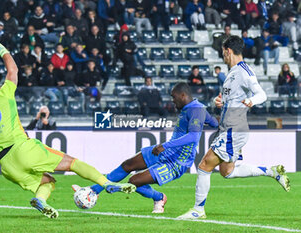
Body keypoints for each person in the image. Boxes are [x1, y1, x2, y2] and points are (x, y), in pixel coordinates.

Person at [0, 38, 136, 219]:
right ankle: (106, 184)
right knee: (72, 163)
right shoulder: (3, 95)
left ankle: (41, 201)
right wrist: (4, 52)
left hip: (6, 166)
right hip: (22, 149)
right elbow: (13, 70)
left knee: (47, 181)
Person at [178, 36, 290, 220]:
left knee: (204, 165)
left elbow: (262, 94)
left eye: (223, 52)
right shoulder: (232, 73)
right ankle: (272, 171)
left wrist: (251, 100)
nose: (222, 56)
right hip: (230, 128)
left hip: (234, 129)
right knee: (227, 172)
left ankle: (198, 210)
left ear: (228, 51)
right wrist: (221, 102)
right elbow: (233, 99)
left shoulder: (244, 71)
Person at [73, 82, 219, 213]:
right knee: (128, 164)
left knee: (134, 181)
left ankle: (159, 198)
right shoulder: (195, 109)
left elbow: (193, 137)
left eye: (174, 97)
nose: (172, 101)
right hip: (166, 152)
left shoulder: (196, 109)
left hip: (176, 162)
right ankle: (93, 191)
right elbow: (214, 122)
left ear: (183, 95)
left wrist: (165, 145)